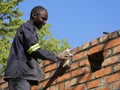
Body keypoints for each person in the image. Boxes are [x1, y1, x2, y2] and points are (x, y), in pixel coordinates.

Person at [4, 6, 69, 90]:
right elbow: (34, 49)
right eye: (43, 18)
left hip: (22, 74)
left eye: (46, 20)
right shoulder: (27, 27)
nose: (45, 22)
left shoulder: (30, 29)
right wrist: (56, 56)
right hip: (19, 74)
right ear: (34, 16)